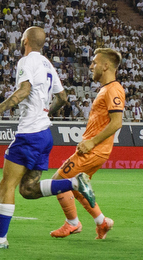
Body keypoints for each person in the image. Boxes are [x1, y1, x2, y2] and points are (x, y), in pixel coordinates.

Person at [0, 26, 94, 249]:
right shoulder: (48, 64)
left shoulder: (26, 61)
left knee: (6, 185)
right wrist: (48, 111)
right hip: (45, 134)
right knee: (28, 189)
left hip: (29, 133)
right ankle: (74, 182)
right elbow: (62, 97)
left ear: (25, 40)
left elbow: (24, 90)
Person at [51, 47, 123, 240]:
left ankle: (73, 224)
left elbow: (117, 122)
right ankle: (102, 223)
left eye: (95, 62)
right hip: (95, 149)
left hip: (94, 150)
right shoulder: (106, 89)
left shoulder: (114, 89)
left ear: (106, 65)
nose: (91, 66)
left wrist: (91, 142)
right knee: (76, 185)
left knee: (58, 181)